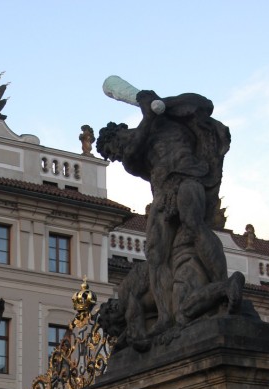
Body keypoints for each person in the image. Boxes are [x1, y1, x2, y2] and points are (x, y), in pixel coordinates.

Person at [97, 90, 245, 347]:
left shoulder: (171, 119)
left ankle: (222, 284)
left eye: (113, 147)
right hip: (164, 191)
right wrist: (149, 112)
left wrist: (164, 104)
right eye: (112, 155)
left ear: (120, 132)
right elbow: (133, 149)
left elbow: (203, 104)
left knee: (195, 227)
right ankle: (167, 315)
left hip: (189, 179)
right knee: (156, 254)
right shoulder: (135, 156)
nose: (116, 155)